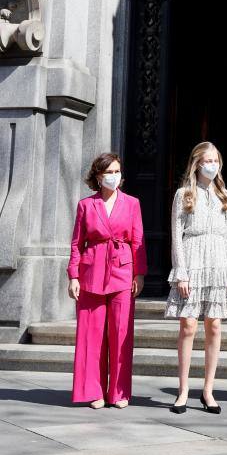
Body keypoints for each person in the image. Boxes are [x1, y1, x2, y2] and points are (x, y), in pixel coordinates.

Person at [67, 152, 147, 409]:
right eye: (109, 172)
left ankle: (119, 392)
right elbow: (77, 244)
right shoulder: (85, 205)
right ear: (98, 177)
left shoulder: (132, 203)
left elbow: (138, 241)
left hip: (123, 271)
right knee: (91, 334)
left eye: (117, 171)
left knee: (121, 332)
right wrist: (73, 276)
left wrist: (139, 273)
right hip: (92, 272)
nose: (114, 176)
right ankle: (95, 391)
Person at [165, 141, 227, 415]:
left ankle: (208, 390)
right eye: (207, 160)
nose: (212, 165)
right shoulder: (184, 194)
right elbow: (176, 235)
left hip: (217, 262)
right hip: (193, 260)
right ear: (197, 163)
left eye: (216, 160)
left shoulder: (223, 194)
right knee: (188, 326)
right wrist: (181, 272)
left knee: (215, 326)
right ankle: (183, 390)